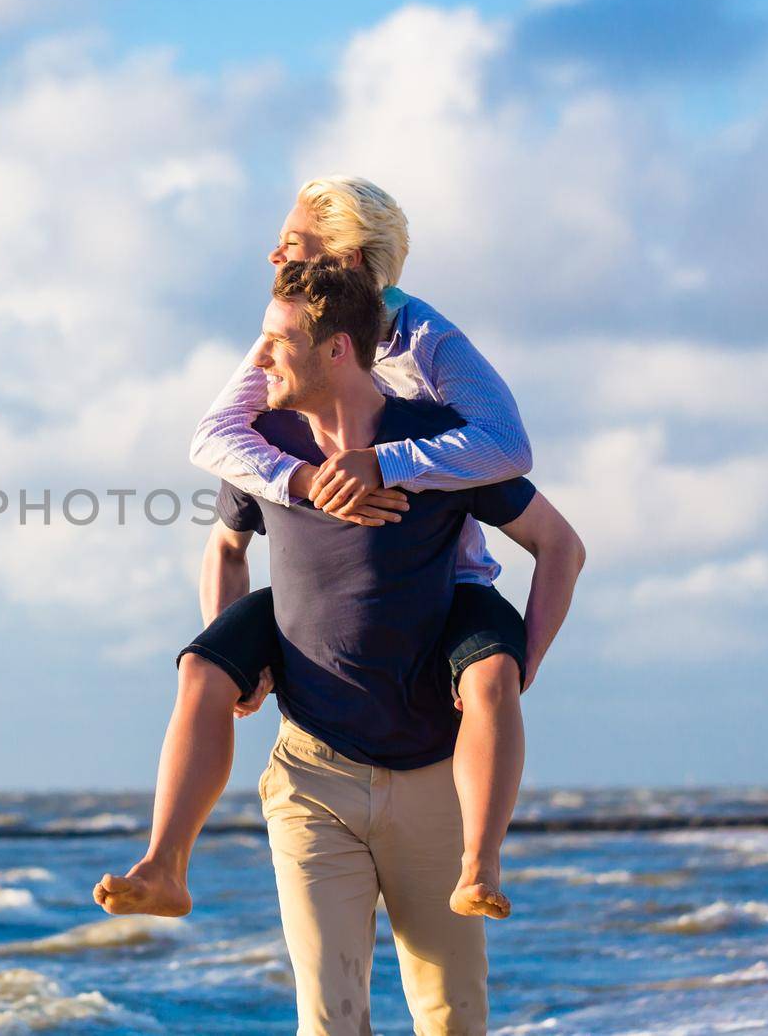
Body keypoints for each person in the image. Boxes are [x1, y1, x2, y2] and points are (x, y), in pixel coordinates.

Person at [96, 259, 585, 1033]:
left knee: (452, 1015)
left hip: (433, 776)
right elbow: (226, 549)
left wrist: (519, 660)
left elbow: (559, 544)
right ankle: (164, 862)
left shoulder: (439, 442)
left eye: (277, 342)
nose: (257, 362)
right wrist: (245, 663)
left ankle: (481, 859)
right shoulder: (261, 445)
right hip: (312, 776)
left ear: (338, 352)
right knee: (328, 1018)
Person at [195, 175, 540, 919]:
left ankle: (480, 862)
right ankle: (165, 860)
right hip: (324, 589)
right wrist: (308, 480)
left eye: (291, 243)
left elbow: (508, 445)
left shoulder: (426, 338)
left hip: (440, 581)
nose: (272, 253)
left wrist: (388, 464)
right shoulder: (288, 338)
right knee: (203, 667)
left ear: (347, 262)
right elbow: (212, 438)